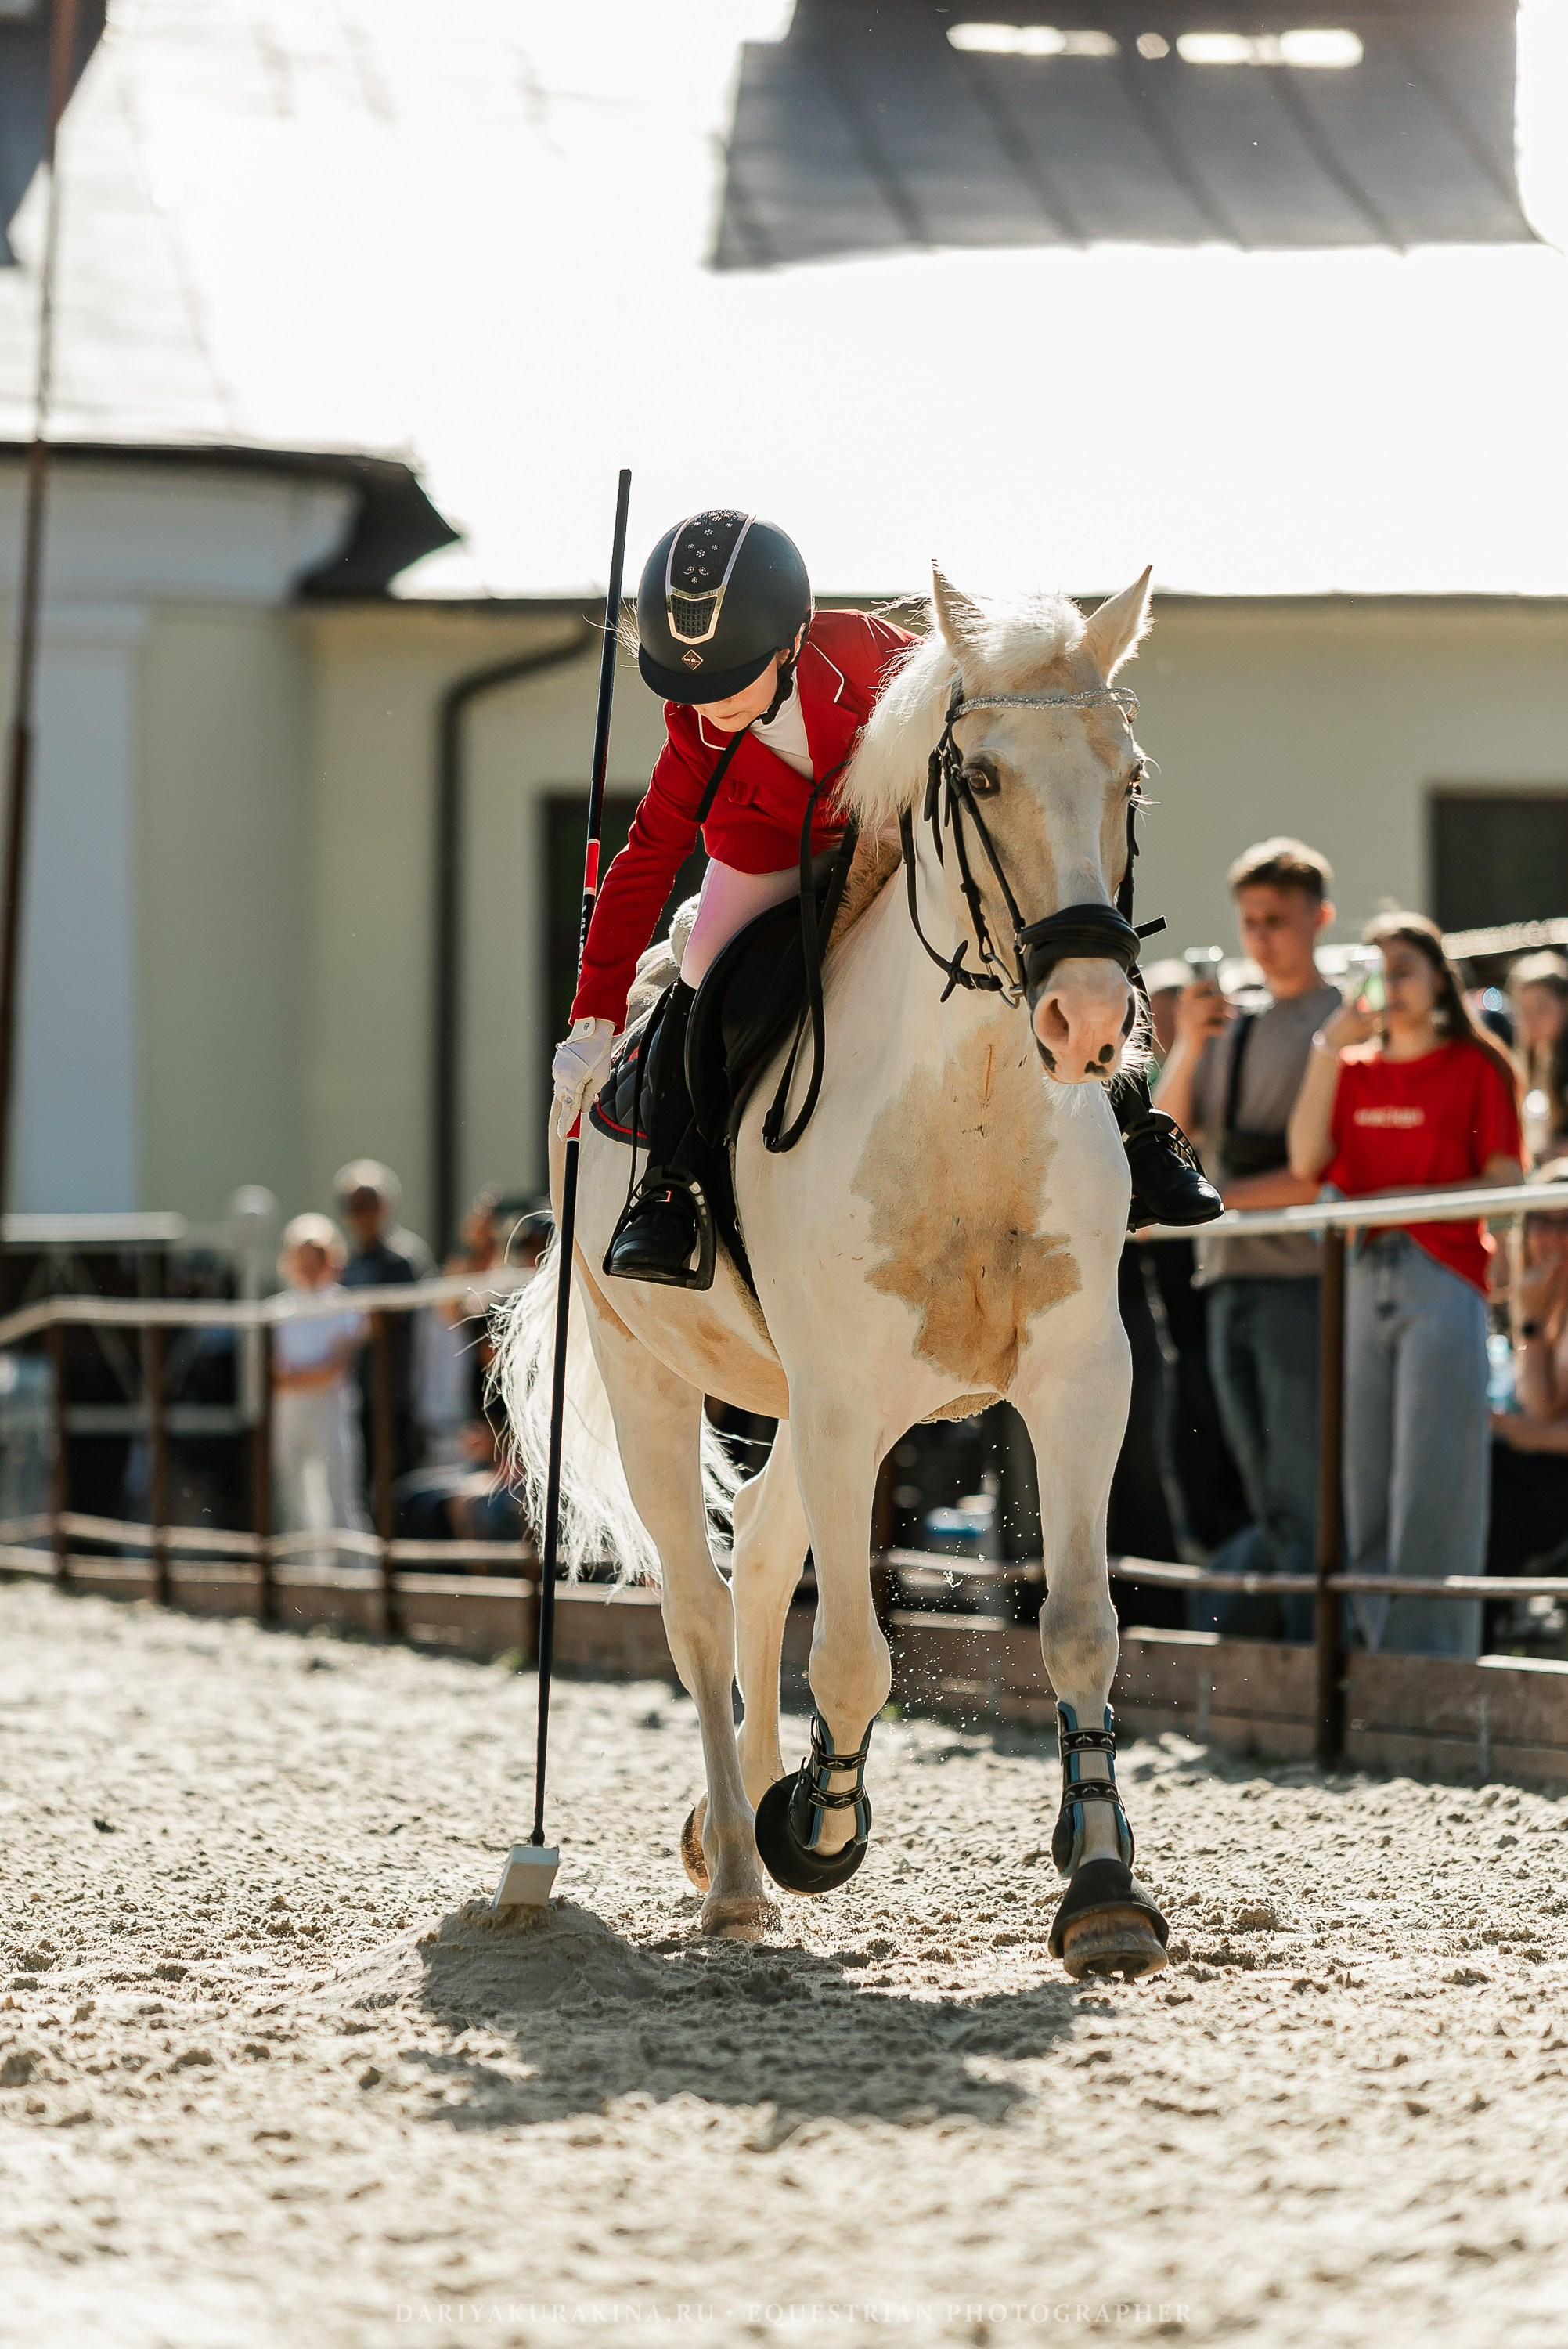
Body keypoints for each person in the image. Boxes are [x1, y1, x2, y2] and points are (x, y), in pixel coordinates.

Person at [550, 508, 1218, 1289]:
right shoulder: (692, 725)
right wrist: (594, 1014)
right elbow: (648, 855)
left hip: (898, 841)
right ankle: (673, 1183)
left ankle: (1137, 1131)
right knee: (701, 971)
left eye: (733, 678)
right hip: (768, 859)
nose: (709, 705)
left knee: (1049, 916)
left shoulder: (875, 656)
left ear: (791, 641)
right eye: (692, 686)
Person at [1289, 912, 1523, 1658]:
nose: (1386, 987)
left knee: (1435, 1480)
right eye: (1375, 970)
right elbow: (1305, 1158)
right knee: (1364, 1479)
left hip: (1444, 1275)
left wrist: (1401, 1205)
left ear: (1438, 980)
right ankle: (1373, 1657)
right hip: (1363, 1273)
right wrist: (1330, 1043)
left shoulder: (1478, 1066)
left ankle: (1431, 1665)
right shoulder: (1353, 1069)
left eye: (1401, 970)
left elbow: (1506, 1177)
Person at [1154, 839, 1343, 1634]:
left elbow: (1318, 1169)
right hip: (1224, 1272)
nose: (1261, 937)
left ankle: (1315, 1660)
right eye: (1248, 921)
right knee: (1256, 1488)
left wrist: (1212, 1199)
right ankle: (1280, 1659)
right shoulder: (1231, 1018)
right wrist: (1193, 1040)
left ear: (1318, 920)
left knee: (1302, 1488)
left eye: (1276, 920)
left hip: (1301, 1276)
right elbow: (1167, 1134)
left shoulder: (1337, 1020)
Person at [1487, 1164, 1568, 1602]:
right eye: (1542, 1222)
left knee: (1495, 1484)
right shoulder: (1530, 1292)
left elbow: (1540, 1408)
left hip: (1551, 1478)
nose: (1553, 1238)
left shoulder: (1536, 1303)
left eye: (1566, 1223)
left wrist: (1532, 1325)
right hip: (1530, 1466)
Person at [271, 1214, 369, 1561]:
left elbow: (335, 1368)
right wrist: (312, 1373)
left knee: (339, 1492)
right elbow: (275, 1373)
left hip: (331, 1410)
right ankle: (302, 1579)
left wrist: (303, 1375)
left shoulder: (344, 1305)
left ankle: (351, 1576)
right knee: (295, 1497)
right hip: (291, 1414)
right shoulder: (279, 1308)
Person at [333, 1159, 434, 1490]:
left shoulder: (402, 1258)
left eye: (368, 1205)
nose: (361, 1215)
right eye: (354, 1206)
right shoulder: (350, 1264)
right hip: (357, 1392)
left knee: (400, 1485)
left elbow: (397, 1322)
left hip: (399, 1394)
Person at [1508, 952, 1568, 1164]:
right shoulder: (1530, 1063)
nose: (1531, 1019)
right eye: (1524, 1010)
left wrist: (1558, 1150)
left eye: (1541, 1008)